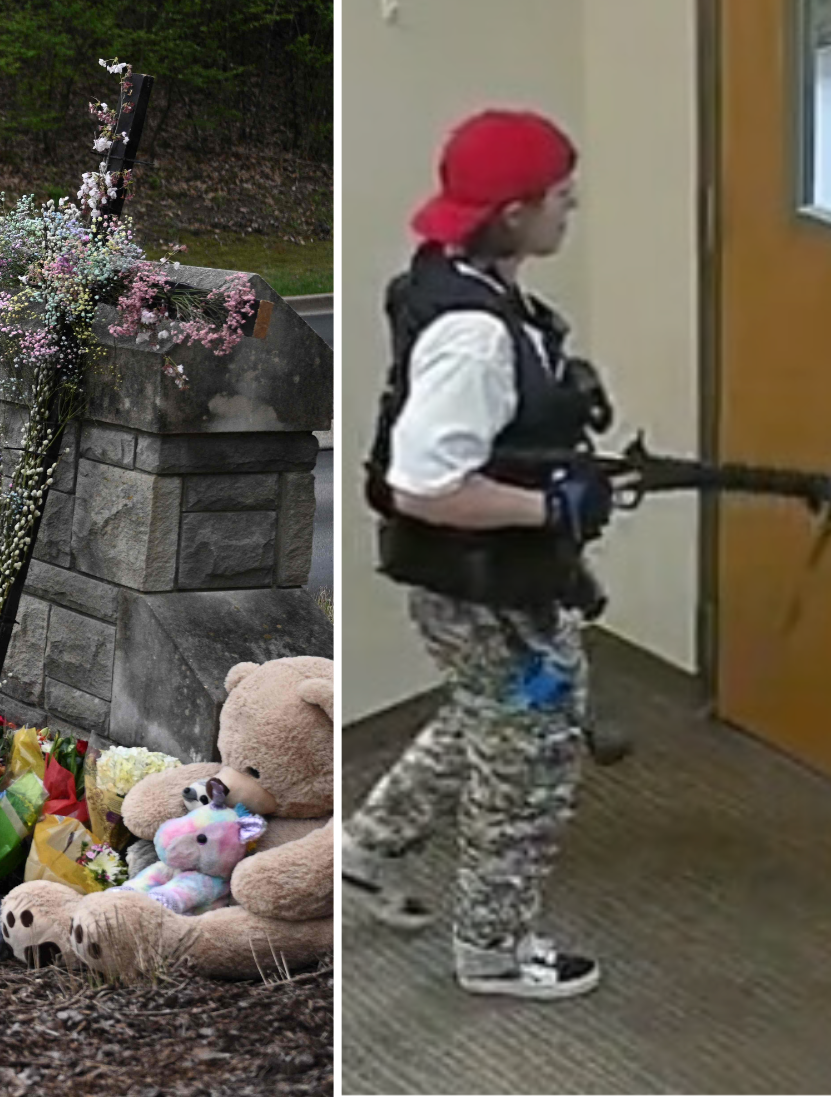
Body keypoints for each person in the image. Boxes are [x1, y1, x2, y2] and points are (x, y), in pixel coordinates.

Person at [343, 108, 614, 1000]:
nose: (569, 211)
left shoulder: (462, 278)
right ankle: (494, 951)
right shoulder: (474, 334)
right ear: (511, 212)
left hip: (468, 583)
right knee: (530, 753)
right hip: (486, 584)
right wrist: (552, 502)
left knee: (484, 710)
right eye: (559, 199)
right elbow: (426, 484)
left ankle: (363, 852)